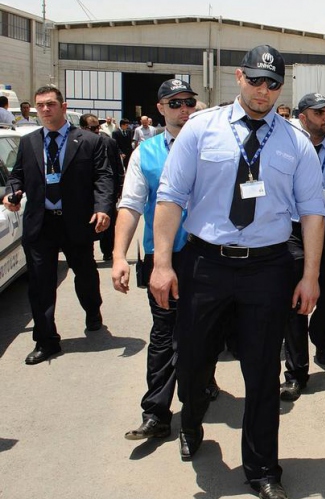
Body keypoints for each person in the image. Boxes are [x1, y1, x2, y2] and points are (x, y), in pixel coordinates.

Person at [150, 45, 325, 499]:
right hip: (205, 263)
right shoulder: (201, 130)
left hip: (267, 268)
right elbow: (170, 197)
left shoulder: (294, 142)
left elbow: (311, 214)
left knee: (263, 371)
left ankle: (263, 469)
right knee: (191, 359)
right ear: (238, 77)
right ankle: (190, 421)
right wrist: (163, 264)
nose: (263, 90)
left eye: (272, 84)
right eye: (255, 80)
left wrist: (310, 275)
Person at [112, 79, 209, 441]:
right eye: (174, 103)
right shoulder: (146, 153)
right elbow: (131, 205)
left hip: (206, 258)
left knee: (200, 337)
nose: (183, 109)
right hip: (162, 258)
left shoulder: (212, 149)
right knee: (165, 335)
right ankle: (156, 414)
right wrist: (119, 255)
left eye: (188, 102)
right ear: (161, 109)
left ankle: (194, 411)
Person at [2, 86, 113, 364]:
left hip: (75, 222)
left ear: (63, 107)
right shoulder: (29, 143)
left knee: (85, 274)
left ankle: (92, 310)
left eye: (50, 104)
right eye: (40, 105)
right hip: (40, 225)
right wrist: (12, 192)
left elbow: (103, 178)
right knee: (40, 284)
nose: (45, 110)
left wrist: (102, 209)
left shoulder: (88, 141)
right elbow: (17, 175)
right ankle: (47, 340)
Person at [279, 93, 325, 401]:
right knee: (296, 301)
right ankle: (296, 373)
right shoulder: (286, 149)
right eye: (318, 111)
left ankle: (320, 336)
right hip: (295, 231)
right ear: (302, 116)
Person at [82, 113, 123, 262]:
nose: (96, 131)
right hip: (86, 192)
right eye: (92, 128)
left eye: (97, 128)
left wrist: (119, 186)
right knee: (88, 224)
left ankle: (108, 252)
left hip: (107, 191)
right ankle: (88, 255)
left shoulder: (109, 142)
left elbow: (117, 166)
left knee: (108, 223)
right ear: (83, 128)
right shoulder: (78, 143)